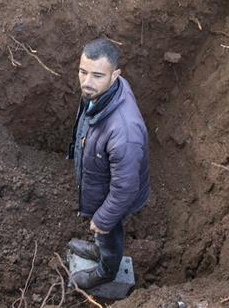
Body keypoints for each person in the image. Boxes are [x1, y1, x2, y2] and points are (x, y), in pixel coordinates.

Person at [67, 38, 150, 289]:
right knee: (103, 229)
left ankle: (106, 270)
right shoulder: (101, 94)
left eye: (97, 75)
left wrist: (103, 218)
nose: (87, 82)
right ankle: (98, 248)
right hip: (102, 181)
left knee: (109, 231)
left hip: (116, 195)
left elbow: (125, 188)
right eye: (83, 72)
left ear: (115, 75)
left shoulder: (123, 131)